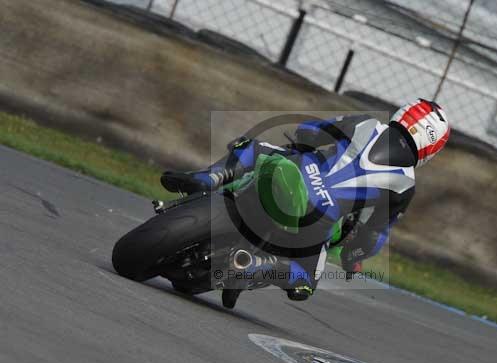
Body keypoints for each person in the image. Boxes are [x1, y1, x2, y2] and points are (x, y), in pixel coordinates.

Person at [161, 99, 450, 306]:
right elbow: (373, 235)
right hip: (318, 219)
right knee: (305, 282)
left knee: (251, 147)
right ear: (431, 149)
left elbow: (310, 130)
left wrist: (304, 142)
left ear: (404, 113)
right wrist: (354, 256)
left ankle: (207, 178)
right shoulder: (404, 185)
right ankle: (254, 267)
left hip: (292, 172)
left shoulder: (366, 124)